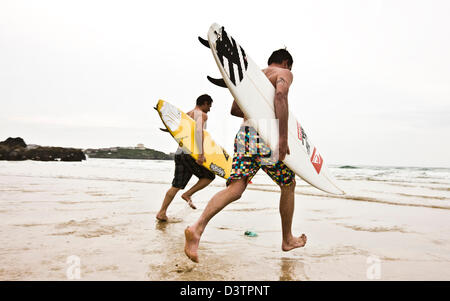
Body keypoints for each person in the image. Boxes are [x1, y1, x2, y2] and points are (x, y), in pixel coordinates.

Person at [184, 49, 307, 262]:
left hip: (245, 134)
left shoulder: (255, 76)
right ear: (286, 62)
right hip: (266, 135)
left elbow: (235, 109)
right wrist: (283, 138)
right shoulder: (283, 73)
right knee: (288, 183)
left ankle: (197, 227)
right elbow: (280, 95)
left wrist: (260, 111)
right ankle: (287, 239)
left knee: (236, 187)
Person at [156, 94, 216, 222]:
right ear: (205, 103)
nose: (210, 109)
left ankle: (162, 212)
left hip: (179, 153)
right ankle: (188, 194)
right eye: (209, 105)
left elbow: (176, 131)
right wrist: (201, 154)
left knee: (176, 185)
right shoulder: (201, 115)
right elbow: (199, 132)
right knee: (209, 176)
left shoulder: (187, 114)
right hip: (191, 154)